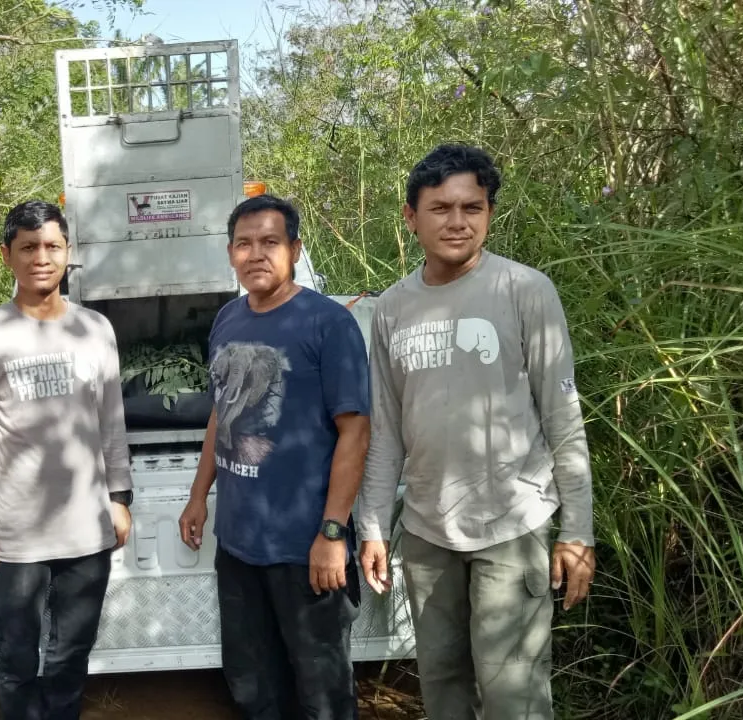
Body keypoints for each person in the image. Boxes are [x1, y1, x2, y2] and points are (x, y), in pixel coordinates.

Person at [356, 144, 596, 720]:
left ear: (489, 212)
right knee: (442, 685)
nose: (458, 222)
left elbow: (562, 415)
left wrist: (578, 531)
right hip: (427, 531)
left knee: (513, 694)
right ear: (411, 217)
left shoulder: (524, 290)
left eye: (473, 207)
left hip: (512, 523)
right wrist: (373, 525)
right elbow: (385, 427)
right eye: (440, 208)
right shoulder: (391, 308)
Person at [177, 194, 371, 720]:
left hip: (304, 547)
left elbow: (355, 432)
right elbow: (222, 413)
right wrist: (198, 496)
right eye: (244, 243)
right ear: (230, 253)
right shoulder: (227, 320)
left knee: (321, 691)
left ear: (295, 249)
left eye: (270, 242)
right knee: (252, 684)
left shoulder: (328, 324)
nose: (256, 254)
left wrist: (332, 533)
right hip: (238, 544)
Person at [0, 200, 133, 720]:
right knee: (16, 661)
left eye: (52, 246)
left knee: (70, 656)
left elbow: (111, 422)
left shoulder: (95, 329)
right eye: (28, 247)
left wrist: (119, 498)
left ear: (67, 252)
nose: (41, 257)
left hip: (85, 529)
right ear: (6, 255)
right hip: (16, 534)